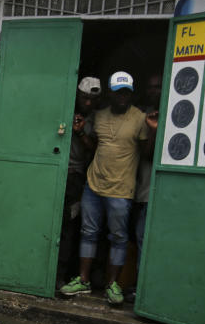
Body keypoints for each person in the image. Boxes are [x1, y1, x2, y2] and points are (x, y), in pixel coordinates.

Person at [60, 71, 158, 305]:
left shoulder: (139, 118)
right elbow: (93, 147)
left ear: (131, 93)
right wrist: (81, 131)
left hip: (121, 189)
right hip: (93, 185)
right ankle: (83, 280)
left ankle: (112, 284)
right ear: (111, 94)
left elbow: (148, 155)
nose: (122, 96)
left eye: (126, 92)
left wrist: (153, 129)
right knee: (88, 233)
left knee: (118, 237)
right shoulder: (99, 116)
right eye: (118, 92)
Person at [57, 76, 100, 286]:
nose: (88, 103)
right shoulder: (62, 107)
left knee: (68, 226)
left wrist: (81, 132)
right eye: (84, 98)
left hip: (75, 178)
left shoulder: (96, 119)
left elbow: (94, 149)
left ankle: (59, 276)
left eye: (92, 99)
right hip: (54, 172)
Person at [127, 72, 161, 304]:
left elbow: (151, 155)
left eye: (158, 87)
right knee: (135, 238)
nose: (154, 91)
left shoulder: (173, 113)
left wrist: (155, 130)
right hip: (138, 190)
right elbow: (143, 154)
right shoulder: (142, 114)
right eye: (150, 87)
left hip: (155, 193)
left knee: (145, 239)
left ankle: (144, 291)